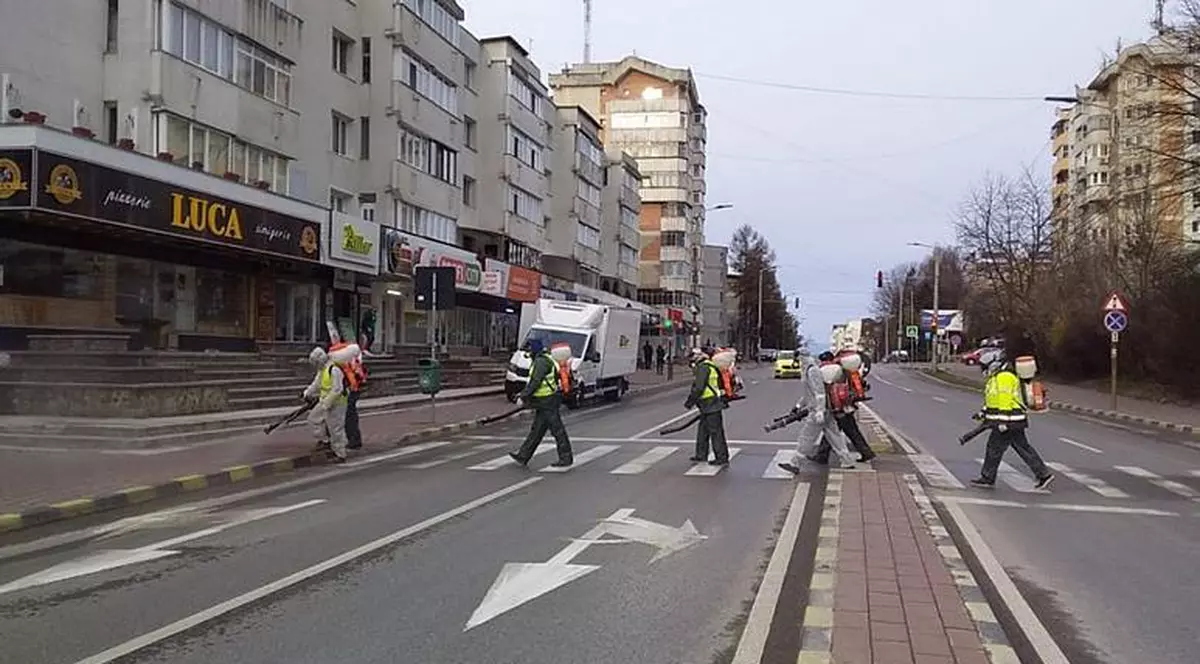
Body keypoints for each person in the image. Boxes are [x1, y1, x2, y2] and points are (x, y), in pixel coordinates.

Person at [971, 351, 1055, 489]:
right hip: (1011, 420)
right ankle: (1042, 474)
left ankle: (988, 478)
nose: (983, 370)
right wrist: (983, 413)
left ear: (993, 365)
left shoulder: (1004, 377)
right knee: (1020, 447)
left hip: (1010, 420)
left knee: (995, 448)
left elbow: (1005, 400)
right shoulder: (996, 378)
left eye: (984, 366)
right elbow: (994, 400)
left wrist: (1003, 422)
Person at [778, 352, 857, 474]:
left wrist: (819, 411)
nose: (798, 361)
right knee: (835, 436)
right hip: (825, 409)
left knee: (807, 437)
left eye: (799, 358)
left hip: (818, 411)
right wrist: (798, 406)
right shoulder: (809, 370)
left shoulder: (812, 371)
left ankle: (795, 463)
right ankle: (847, 460)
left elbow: (819, 393)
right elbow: (809, 394)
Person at [509, 338, 573, 468]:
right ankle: (523, 455)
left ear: (534, 350)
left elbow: (535, 382)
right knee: (537, 430)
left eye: (529, 349)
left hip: (548, 401)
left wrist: (523, 396)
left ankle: (566, 458)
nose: (528, 352)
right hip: (545, 401)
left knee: (557, 430)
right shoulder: (543, 359)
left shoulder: (541, 362)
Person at [808, 351, 876, 464]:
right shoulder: (844, 369)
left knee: (833, 432)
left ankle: (822, 456)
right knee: (848, 431)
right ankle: (866, 452)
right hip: (846, 405)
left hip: (838, 407)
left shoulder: (827, 371)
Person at [302, 347, 349, 463]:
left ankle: (340, 454)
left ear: (320, 360)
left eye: (315, 363)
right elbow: (316, 384)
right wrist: (307, 393)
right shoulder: (322, 370)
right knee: (313, 419)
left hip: (338, 403)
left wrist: (326, 403)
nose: (315, 366)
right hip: (325, 402)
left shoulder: (334, 370)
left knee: (336, 428)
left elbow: (337, 389)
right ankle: (325, 441)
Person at [686, 347, 731, 466]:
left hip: (710, 404)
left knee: (715, 432)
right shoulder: (712, 366)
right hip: (710, 404)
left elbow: (699, 387)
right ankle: (701, 454)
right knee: (703, 431)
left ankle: (722, 457)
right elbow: (720, 385)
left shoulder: (703, 368)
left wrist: (690, 402)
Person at [329, 342, 366, 450]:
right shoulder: (351, 358)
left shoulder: (344, 360)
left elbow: (352, 376)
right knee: (349, 414)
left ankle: (353, 440)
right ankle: (353, 439)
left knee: (349, 415)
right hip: (353, 389)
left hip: (351, 389)